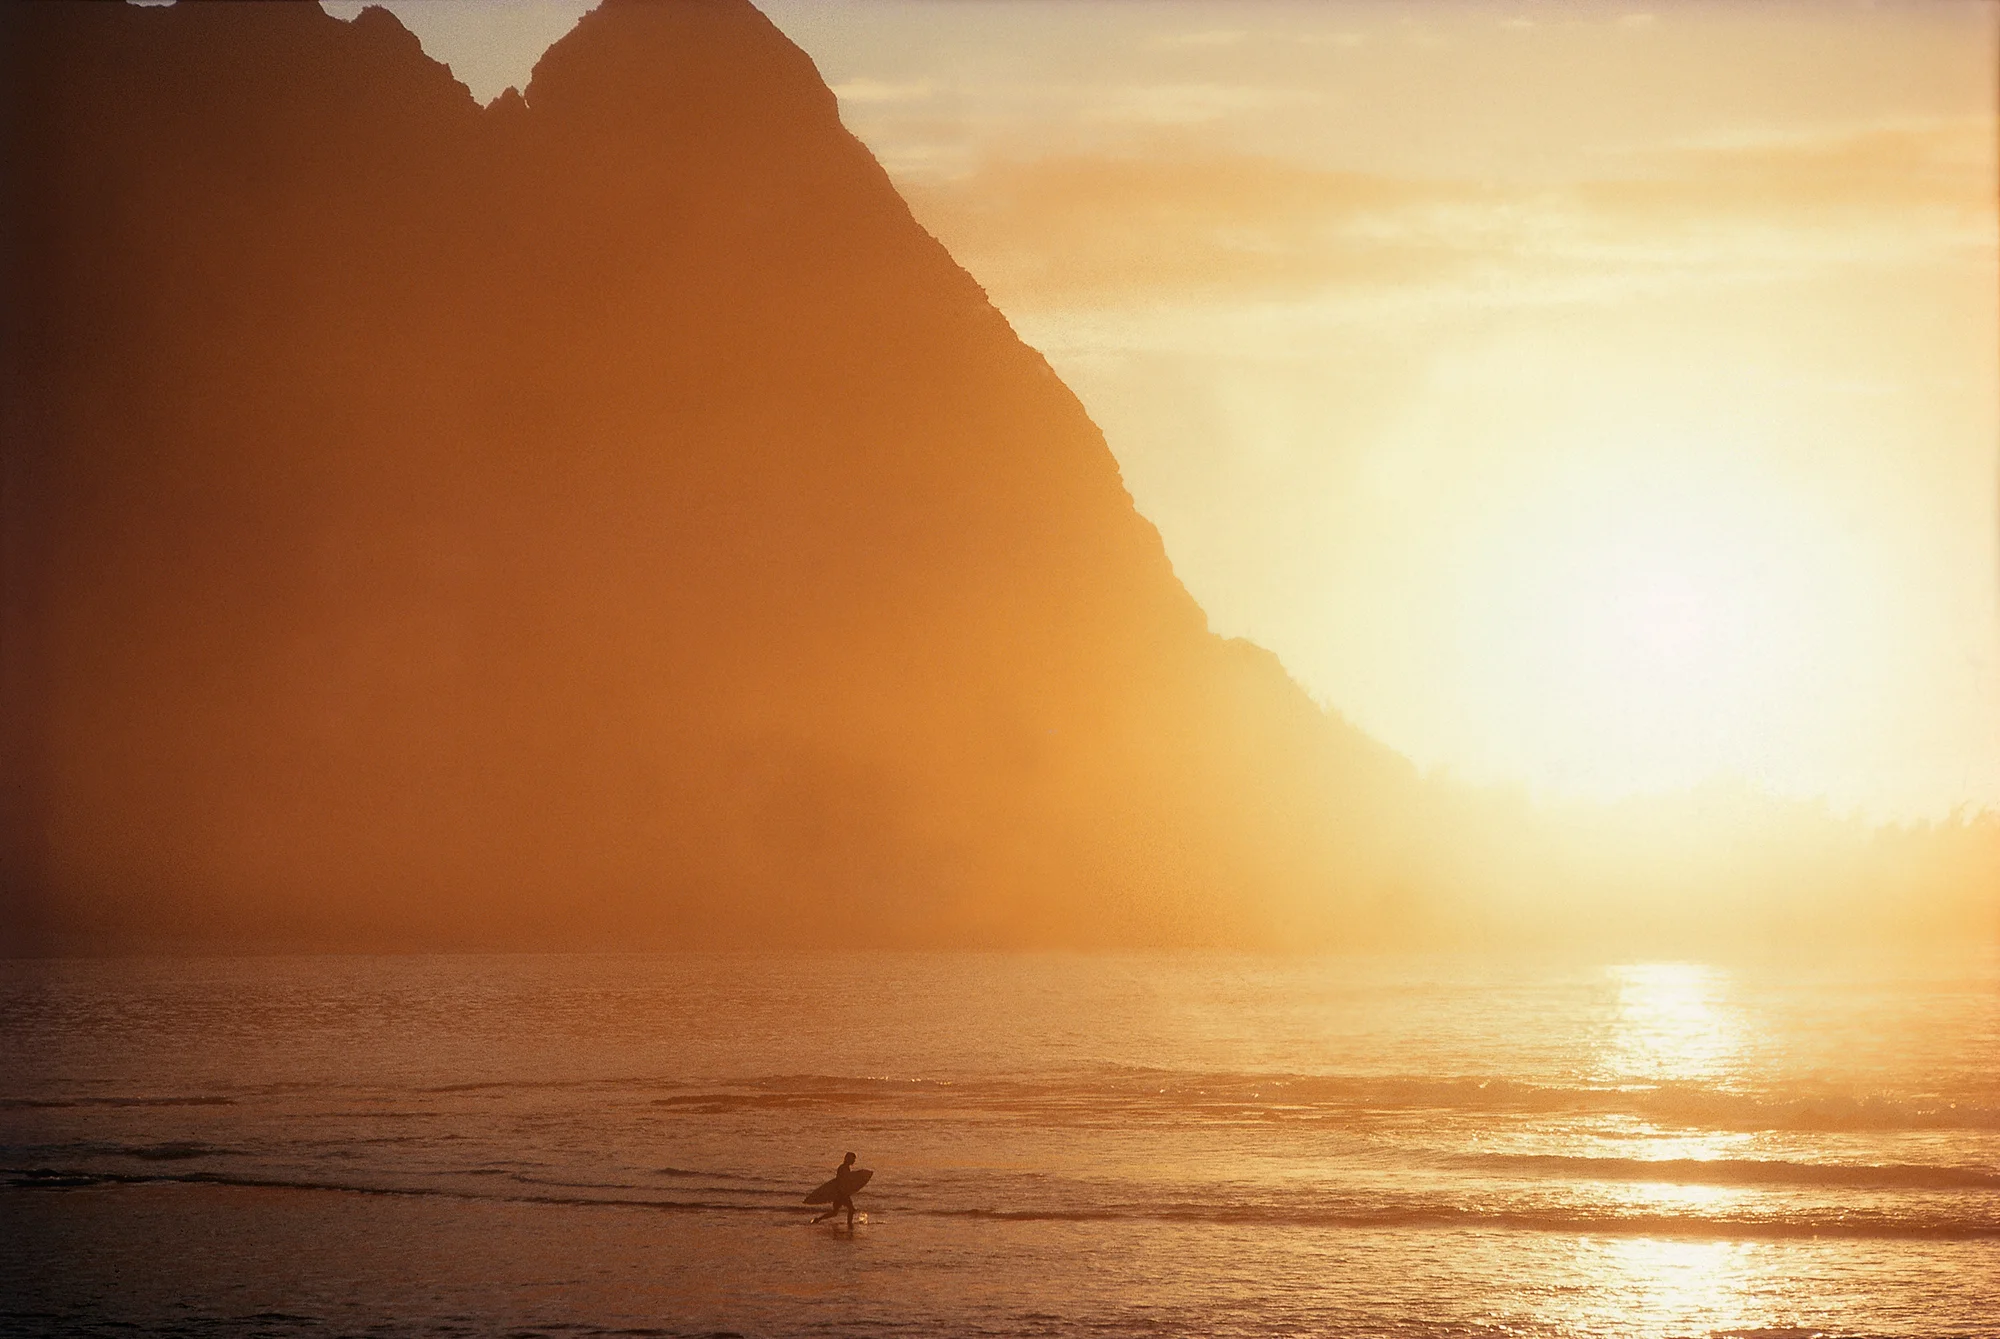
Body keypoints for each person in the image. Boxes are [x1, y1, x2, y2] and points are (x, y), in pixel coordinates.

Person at [813, 1151, 861, 1227]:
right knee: (851, 1210)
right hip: (841, 1194)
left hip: (840, 1193)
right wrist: (843, 1193)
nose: (854, 1161)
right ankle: (849, 1224)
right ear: (847, 1159)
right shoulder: (843, 1168)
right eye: (853, 1159)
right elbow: (840, 1181)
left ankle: (818, 1219)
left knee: (835, 1213)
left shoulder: (845, 1167)